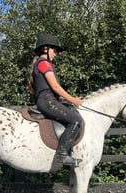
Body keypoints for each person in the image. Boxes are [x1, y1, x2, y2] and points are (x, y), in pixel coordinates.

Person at [28, 33, 84, 167]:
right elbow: (55, 86)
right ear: (45, 49)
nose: (55, 54)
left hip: (49, 100)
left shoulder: (40, 63)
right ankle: (62, 156)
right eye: (54, 50)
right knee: (76, 121)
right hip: (48, 101)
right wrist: (72, 100)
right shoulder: (44, 63)